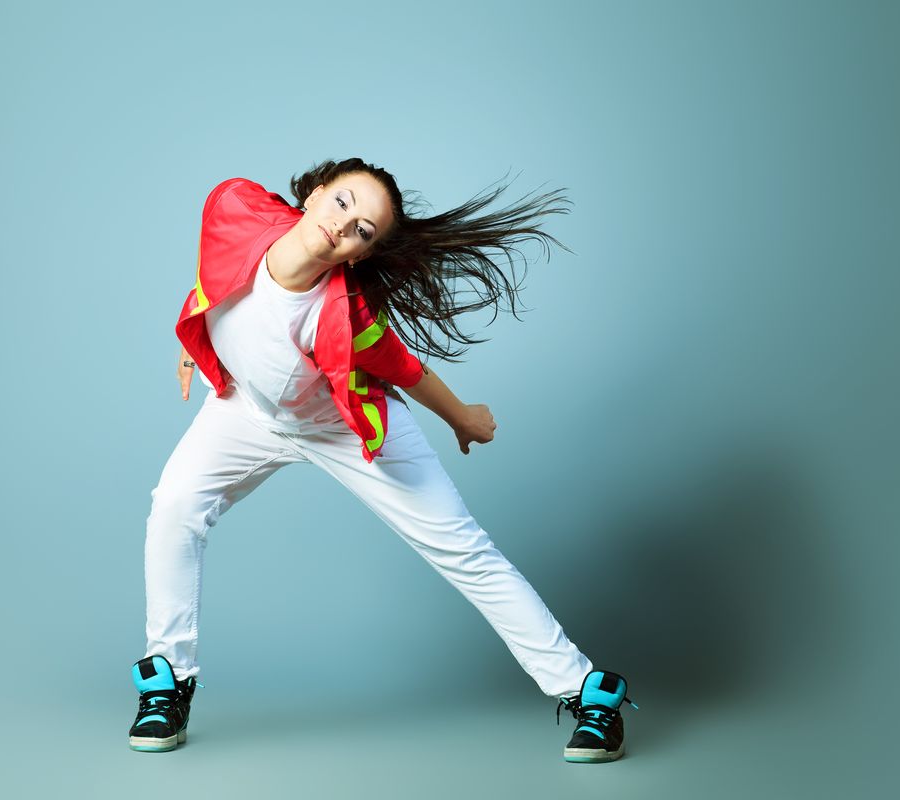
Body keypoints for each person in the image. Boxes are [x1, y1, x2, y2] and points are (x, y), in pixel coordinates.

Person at [127, 158, 638, 763]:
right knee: (174, 507)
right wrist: (198, 334)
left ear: (360, 255)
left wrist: (462, 416)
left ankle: (589, 692)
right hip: (248, 412)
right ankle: (168, 681)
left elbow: (403, 367)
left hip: (344, 427)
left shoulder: (345, 314)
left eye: (363, 230)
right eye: (342, 203)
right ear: (315, 196)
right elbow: (217, 263)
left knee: (463, 548)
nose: (344, 226)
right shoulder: (235, 204)